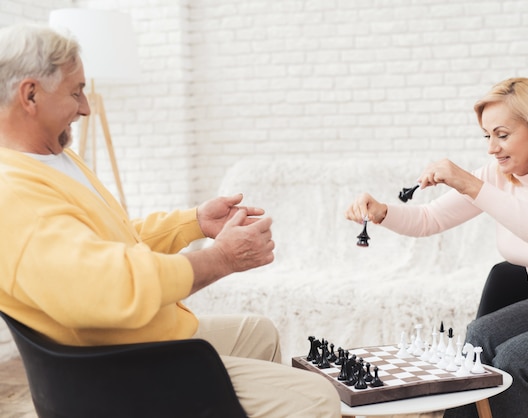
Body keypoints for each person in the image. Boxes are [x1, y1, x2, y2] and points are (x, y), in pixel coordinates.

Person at [0, 23, 340, 417]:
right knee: (315, 397)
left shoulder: (54, 159)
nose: (86, 107)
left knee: (257, 333)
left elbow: (114, 245)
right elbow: (113, 285)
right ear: (30, 95)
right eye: (76, 91)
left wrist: (194, 222)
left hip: (136, 340)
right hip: (114, 369)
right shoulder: (13, 195)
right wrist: (221, 259)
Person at [346, 77, 528, 417]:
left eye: (502, 134)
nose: (492, 148)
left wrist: (470, 184)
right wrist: (383, 212)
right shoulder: (497, 176)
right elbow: (429, 219)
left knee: (516, 358)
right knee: (479, 336)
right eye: (487, 135)